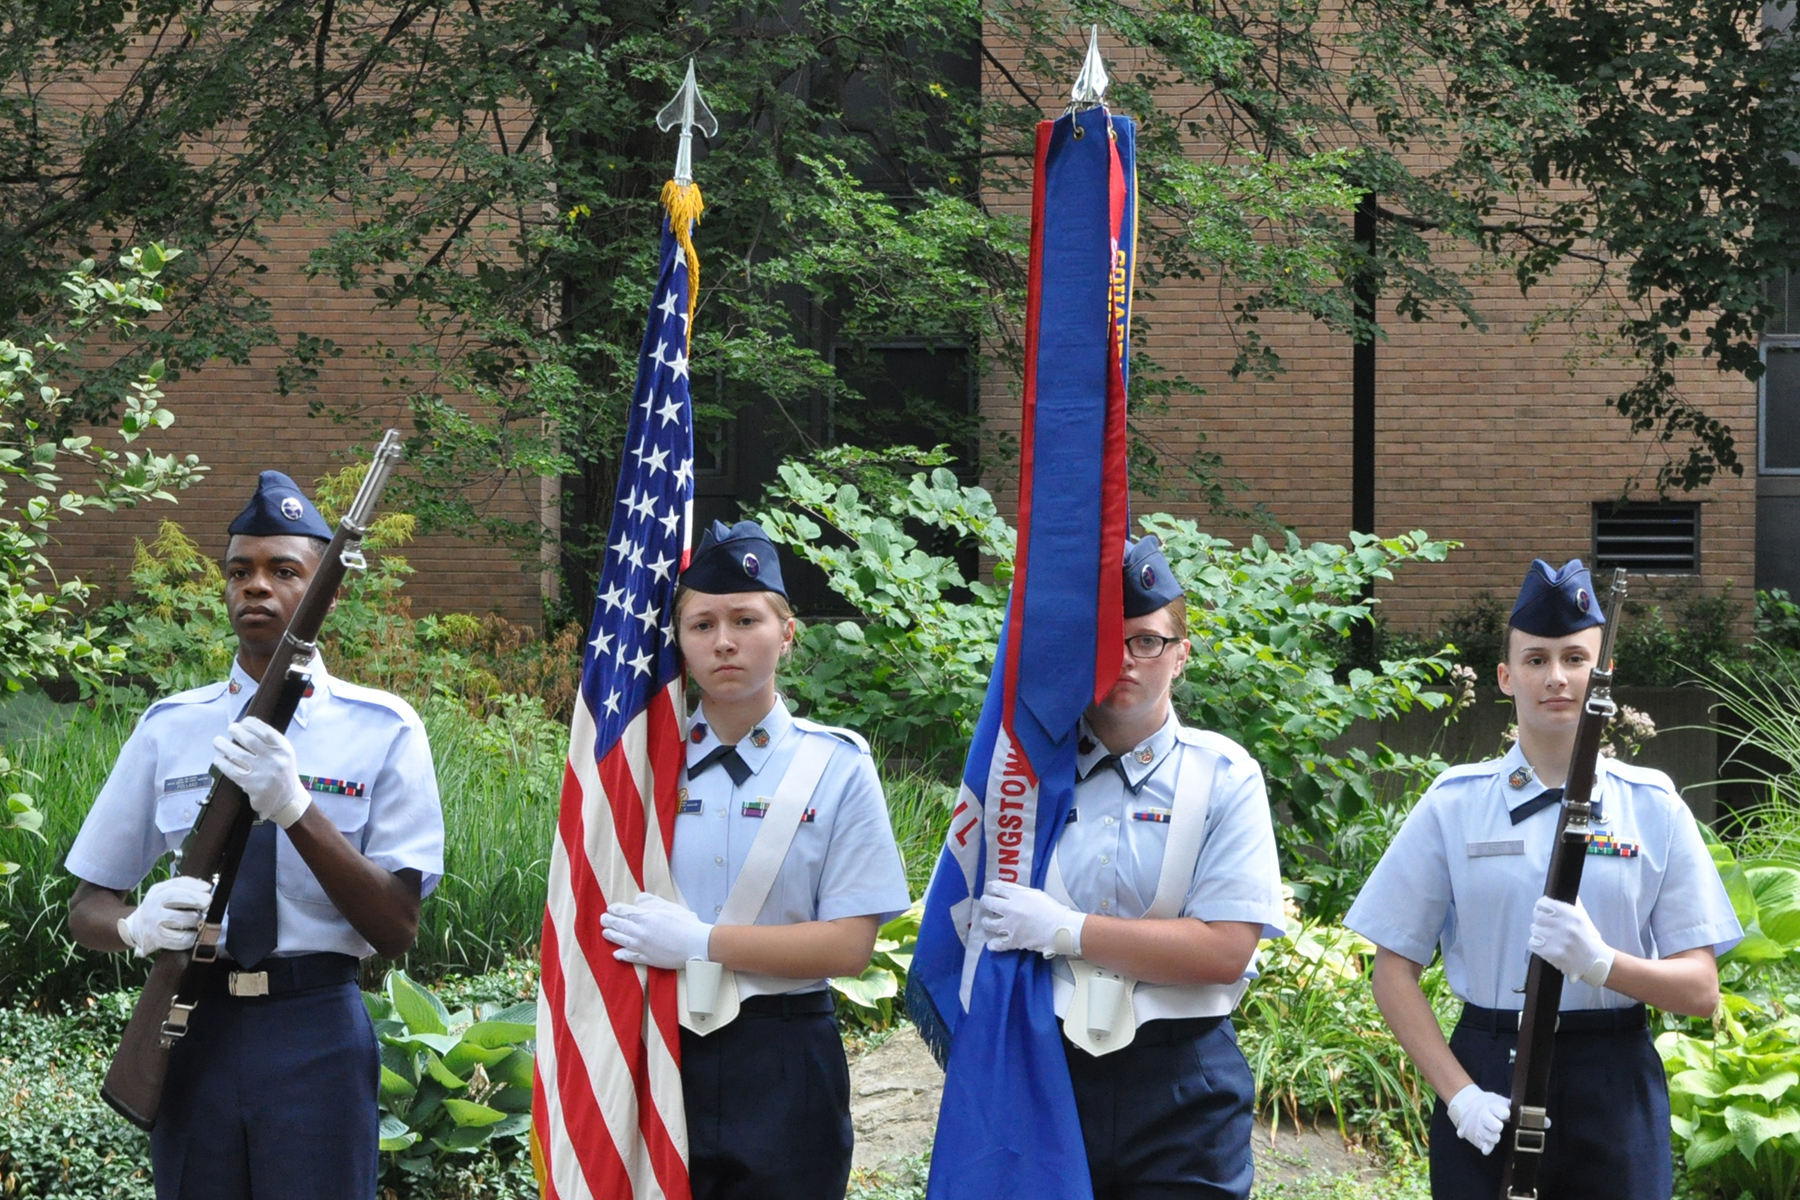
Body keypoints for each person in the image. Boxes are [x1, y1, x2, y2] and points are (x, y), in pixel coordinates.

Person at [65, 470, 444, 1200]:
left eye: (283, 571)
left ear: (324, 588)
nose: (256, 588)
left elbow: (396, 926)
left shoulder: (384, 729)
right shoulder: (171, 727)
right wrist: (137, 925)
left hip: (317, 1029)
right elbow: (88, 907)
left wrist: (297, 810)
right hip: (194, 1027)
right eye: (240, 571)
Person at [1345, 557, 1742, 1199]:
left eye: (1574, 658)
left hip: (1614, 1083)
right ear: (1506, 676)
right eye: (1535, 660)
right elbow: (1392, 974)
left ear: (1602, 673)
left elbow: (1701, 989)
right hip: (1489, 1076)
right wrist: (1460, 1095)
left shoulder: (1654, 805)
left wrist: (1601, 963)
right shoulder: (1454, 804)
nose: (1556, 678)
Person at [599, 519, 911, 1200]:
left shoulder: (836, 765)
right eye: (701, 625)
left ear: (787, 631)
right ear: (679, 643)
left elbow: (850, 946)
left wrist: (704, 943)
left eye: (746, 619)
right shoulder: (641, 764)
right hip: (657, 1039)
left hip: (784, 1053)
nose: (724, 641)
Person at [972, 535, 1286, 1200]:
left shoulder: (1224, 777)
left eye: (1147, 641)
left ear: (1181, 657)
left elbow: (1226, 950)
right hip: (1044, 1067)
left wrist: (1066, 931)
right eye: (1106, 639)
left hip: (1181, 1081)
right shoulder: (1020, 776)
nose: (1124, 658)